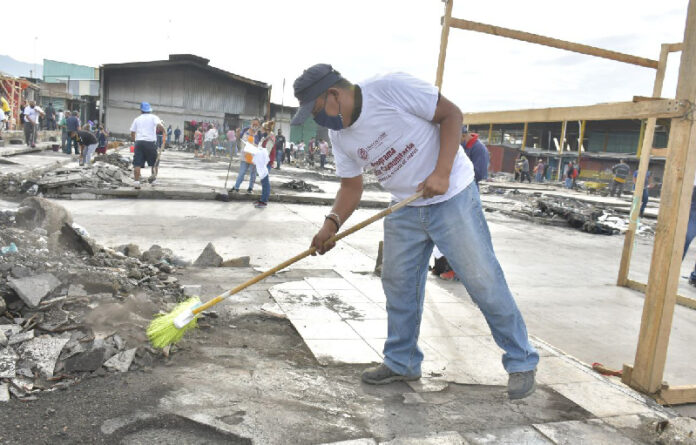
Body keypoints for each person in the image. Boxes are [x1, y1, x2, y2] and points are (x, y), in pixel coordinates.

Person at [292, 63, 538, 399]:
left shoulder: (388, 88)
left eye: (317, 111)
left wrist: (442, 172)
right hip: (405, 205)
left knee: (481, 278)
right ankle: (402, 361)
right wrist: (330, 224)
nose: (317, 121)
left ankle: (521, 360)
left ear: (333, 94)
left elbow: (452, 115)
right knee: (399, 283)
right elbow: (351, 186)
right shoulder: (339, 135)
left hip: (451, 195)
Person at [129, 102, 165, 189]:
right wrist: (164, 131)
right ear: (149, 110)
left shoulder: (137, 119)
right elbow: (160, 126)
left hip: (139, 142)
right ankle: (154, 181)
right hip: (150, 143)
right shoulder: (154, 117)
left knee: (137, 163)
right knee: (154, 163)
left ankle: (136, 182)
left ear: (141, 110)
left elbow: (132, 132)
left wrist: (135, 141)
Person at [231, 119, 261, 193]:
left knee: (253, 174)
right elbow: (238, 137)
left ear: (258, 125)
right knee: (241, 172)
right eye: (253, 123)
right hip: (244, 156)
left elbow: (262, 144)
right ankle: (236, 187)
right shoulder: (245, 130)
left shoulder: (259, 133)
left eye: (256, 124)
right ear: (251, 123)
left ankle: (250, 188)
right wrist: (237, 132)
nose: (254, 125)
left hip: (254, 157)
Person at [254, 121, 276, 208]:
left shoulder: (270, 138)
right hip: (263, 162)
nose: (261, 129)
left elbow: (266, 151)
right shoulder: (266, 137)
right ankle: (262, 199)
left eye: (262, 128)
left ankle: (264, 201)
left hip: (266, 162)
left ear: (266, 129)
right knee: (263, 181)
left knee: (265, 182)